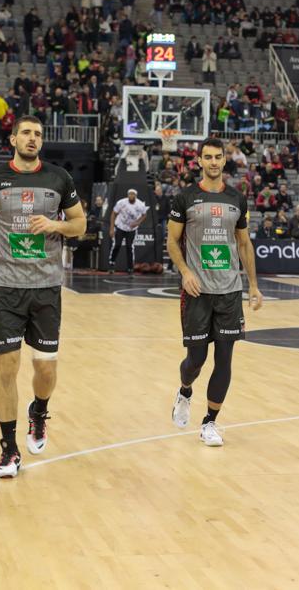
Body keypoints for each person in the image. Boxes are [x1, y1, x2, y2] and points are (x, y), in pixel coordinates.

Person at [0, 116, 86, 478]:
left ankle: (39, 411)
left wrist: (55, 225)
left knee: (45, 368)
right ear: (13, 139)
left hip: (46, 287)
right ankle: (9, 449)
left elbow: (80, 224)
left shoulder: (59, 178)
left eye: (38, 134)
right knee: (6, 366)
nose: (32, 138)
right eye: (26, 132)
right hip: (4, 287)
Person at [167, 137, 263, 447]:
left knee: (224, 359)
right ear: (198, 161)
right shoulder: (185, 198)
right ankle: (184, 391)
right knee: (196, 359)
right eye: (207, 157)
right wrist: (185, 272)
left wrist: (253, 285)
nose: (212, 162)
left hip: (229, 292)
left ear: (224, 160)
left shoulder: (237, 198)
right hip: (197, 293)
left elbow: (244, 243)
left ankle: (210, 422)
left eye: (217, 157)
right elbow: (171, 241)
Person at [108, 188, 147, 275]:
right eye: (129, 194)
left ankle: (130, 268)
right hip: (120, 226)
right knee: (117, 245)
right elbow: (113, 214)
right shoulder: (121, 202)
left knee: (130, 247)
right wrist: (111, 228)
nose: (131, 196)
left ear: (136, 196)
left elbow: (144, 215)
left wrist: (137, 222)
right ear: (127, 195)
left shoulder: (140, 204)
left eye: (133, 194)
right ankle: (111, 263)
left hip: (131, 229)